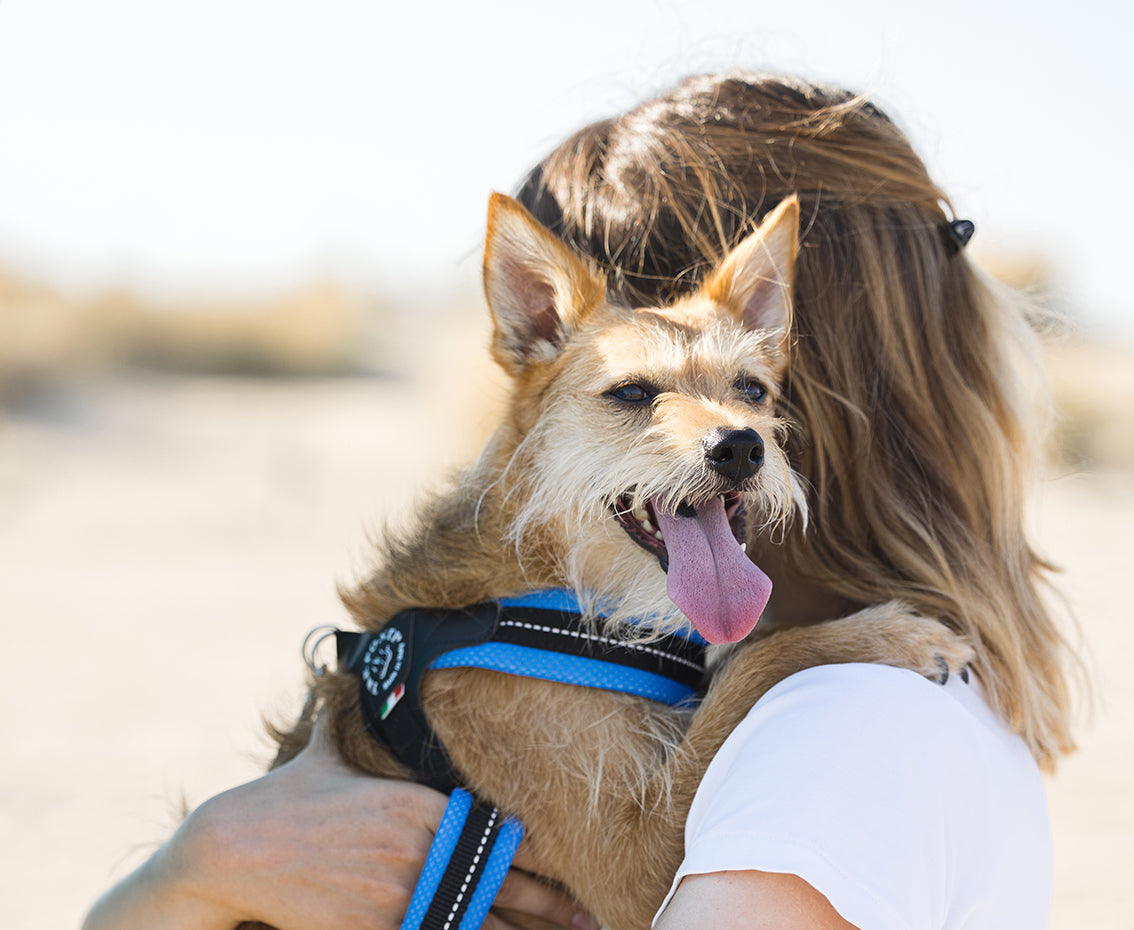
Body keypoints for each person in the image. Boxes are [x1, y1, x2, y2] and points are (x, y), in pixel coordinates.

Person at [84, 72, 1080, 929]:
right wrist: (199, 868)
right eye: (633, 395)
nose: (728, 429)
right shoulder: (918, 698)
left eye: (749, 389)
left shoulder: (845, 726)